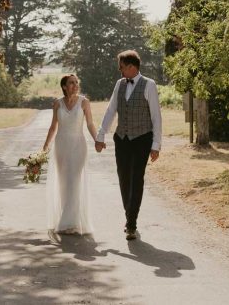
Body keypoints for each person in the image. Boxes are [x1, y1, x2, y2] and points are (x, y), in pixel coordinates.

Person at [95, 50, 161, 240]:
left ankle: (131, 223)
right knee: (124, 178)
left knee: (136, 178)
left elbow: (156, 117)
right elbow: (111, 110)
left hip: (142, 138)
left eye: (122, 67)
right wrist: (101, 135)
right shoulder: (119, 84)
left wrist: (156, 145)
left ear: (132, 67)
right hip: (122, 138)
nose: (120, 70)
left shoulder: (149, 85)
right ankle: (128, 215)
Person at [41, 74, 97, 235]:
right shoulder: (57, 103)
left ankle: (70, 223)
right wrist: (45, 147)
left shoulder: (84, 102)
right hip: (61, 146)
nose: (75, 85)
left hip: (78, 145)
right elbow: (53, 127)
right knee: (64, 182)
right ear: (64, 86)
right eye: (71, 83)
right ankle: (67, 218)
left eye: (76, 82)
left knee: (74, 181)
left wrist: (97, 140)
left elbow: (90, 124)